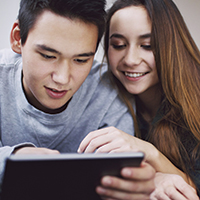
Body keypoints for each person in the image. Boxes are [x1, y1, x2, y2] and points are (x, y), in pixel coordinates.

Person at [0, 0, 156, 199]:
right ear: (16, 38)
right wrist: (14, 159)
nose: (63, 78)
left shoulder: (109, 90)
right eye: (48, 56)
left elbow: (119, 177)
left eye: (81, 60)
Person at [78, 0, 200, 199]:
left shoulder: (194, 104)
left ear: (172, 46)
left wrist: (150, 153)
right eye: (118, 45)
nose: (130, 59)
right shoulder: (104, 96)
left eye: (147, 45)